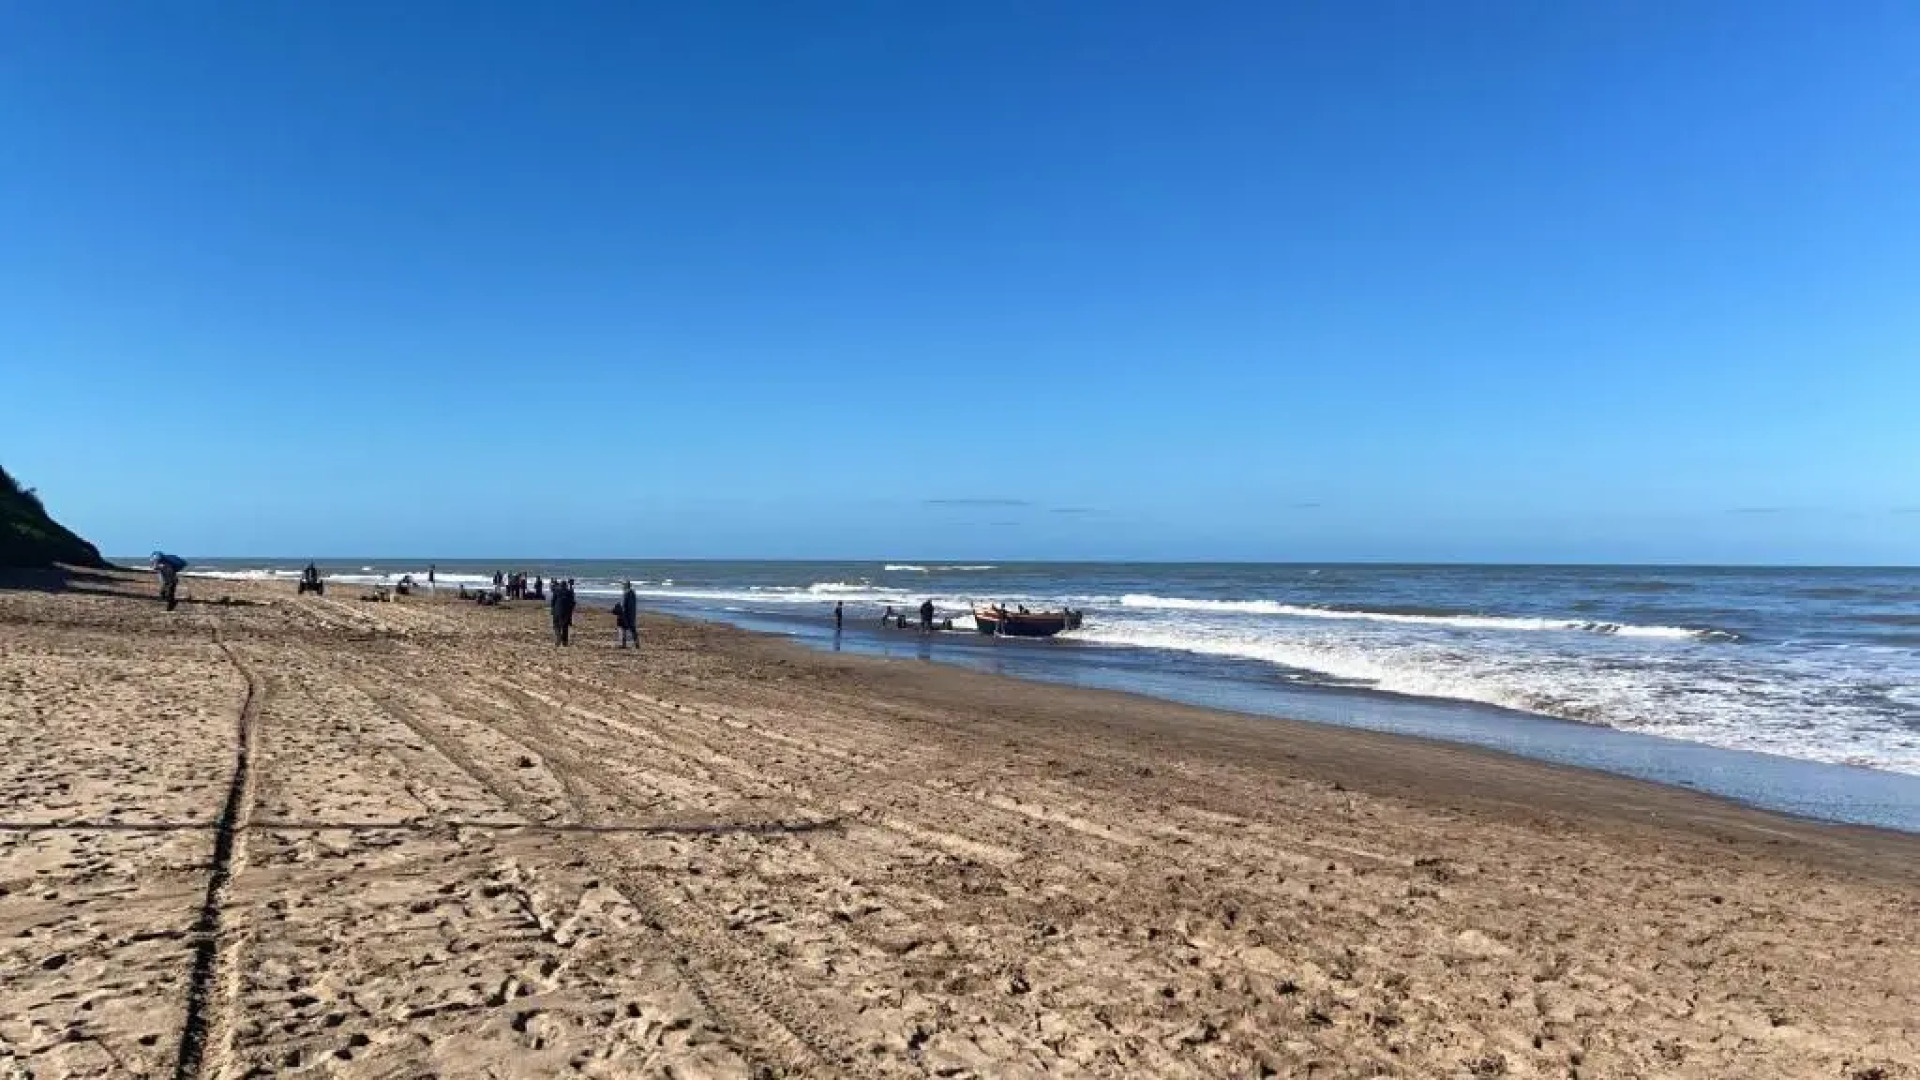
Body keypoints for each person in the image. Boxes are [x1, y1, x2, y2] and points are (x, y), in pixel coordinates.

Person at [550, 577, 576, 646]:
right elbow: (573, 603)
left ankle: (558, 637)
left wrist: (552, 610)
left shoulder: (557, 591)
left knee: (556, 626)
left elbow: (552, 601)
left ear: (560, 585)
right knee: (565, 627)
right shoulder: (569, 592)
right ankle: (564, 642)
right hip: (566, 612)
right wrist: (571, 611)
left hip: (557, 611)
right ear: (566, 586)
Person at [617, 581, 640, 649]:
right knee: (624, 628)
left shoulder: (630, 593)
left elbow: (630, 606)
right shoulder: (627, 593)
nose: (623, 587)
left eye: (624, 585)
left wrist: (625, 612)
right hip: (627, 614)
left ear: (627, 586)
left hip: (629, 614)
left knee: (632, 629)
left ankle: (637, 644)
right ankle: (624, 644)